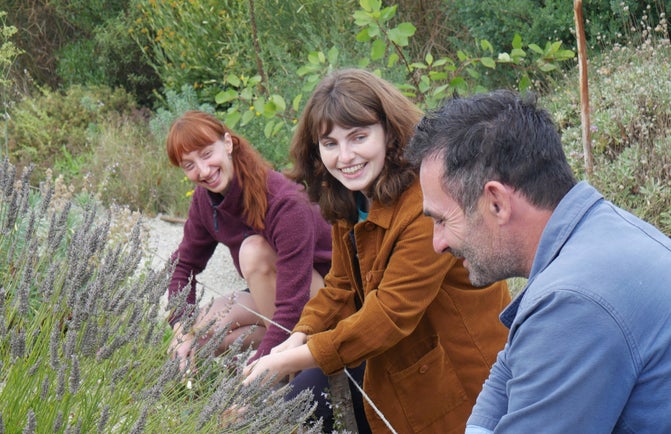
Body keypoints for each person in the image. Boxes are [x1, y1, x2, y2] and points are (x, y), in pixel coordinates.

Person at [242, 68, 511, 433]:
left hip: (459, 375)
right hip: (396, 358)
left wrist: (287, 362)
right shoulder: (350, 195)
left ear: (389, 132)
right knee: (299, 402)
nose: (345, 156)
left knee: (308, 389)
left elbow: (389, 315)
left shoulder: (424, 200)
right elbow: (340, 285)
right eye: (330, 143)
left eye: (359, 136)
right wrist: (298, 334)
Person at [405, 89, 671, 433]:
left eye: (442, 220)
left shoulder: (574, 302)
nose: (438, 243)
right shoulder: (596, 233)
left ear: (497, 202)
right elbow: (509, 367)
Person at [164, 110, 332, 369]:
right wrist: (180, 329)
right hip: (277, 298)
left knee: (253, 250)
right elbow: (183, 266)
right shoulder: (205, 200)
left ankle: (293, 368)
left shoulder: (284, 202)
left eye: (207, 154)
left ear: (228, 143)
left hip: (323, 301)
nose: (203, 170)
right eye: (189, 165)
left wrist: (256, 372)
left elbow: (290, 305)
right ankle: (282, 351)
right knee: (201, 333)